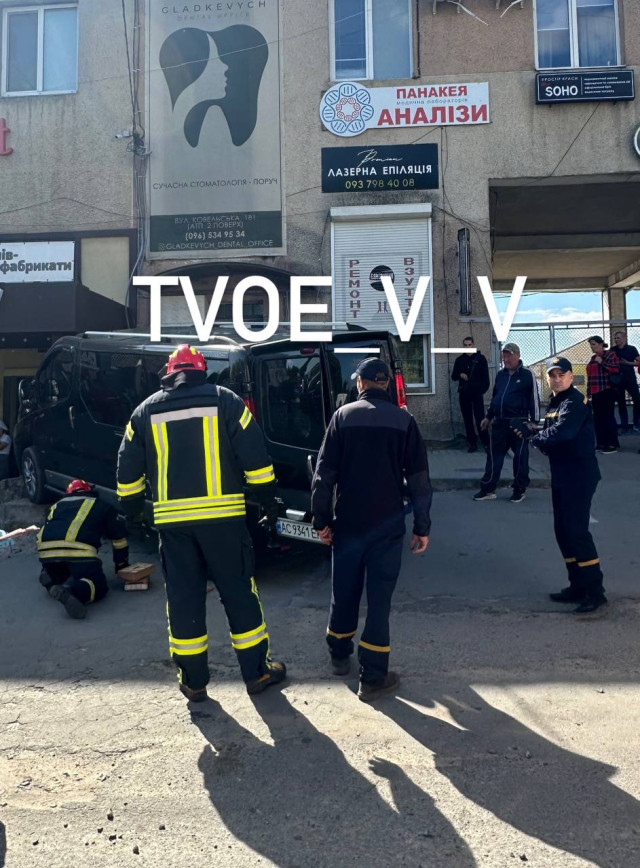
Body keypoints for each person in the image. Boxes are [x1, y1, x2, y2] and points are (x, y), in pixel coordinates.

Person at [116, 344, 285, 703]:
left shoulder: (145, 411)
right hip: (224, 523)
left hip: (174, 527)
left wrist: (132, 510)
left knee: (184, 600)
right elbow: (255, 457)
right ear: (201, 370)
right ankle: (257, 673)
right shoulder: (226, 401)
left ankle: (193, 683)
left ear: (169, 372)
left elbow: (127, 470)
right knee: (239, 595)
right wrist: (267, 499)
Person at [311, 357, 432, 703]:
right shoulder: (405, 421)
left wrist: (321, 521)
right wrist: (422, 526)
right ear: (386, 384)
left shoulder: (342, 417)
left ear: (361, 384)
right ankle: (374, 677)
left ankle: (339, 654)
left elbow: (324, 475)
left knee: (344, 589)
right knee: (379, 600)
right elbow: (420, 480)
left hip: (349, 522)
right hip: (388, 526)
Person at [511, 358, 607, 614]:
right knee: (563, 531)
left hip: (579, 476)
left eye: (561, 374)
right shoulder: (556, 402)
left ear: (570, 376)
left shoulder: (575, 402)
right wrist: (534, 432)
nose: (556, 379)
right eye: (552, 375)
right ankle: (577, 585)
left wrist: (534, 437)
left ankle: (595, 592)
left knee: (576, 532)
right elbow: (550, 436)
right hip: (562, 474)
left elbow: (563, 434)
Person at [37, 479, 129, 619]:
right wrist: (121, 565)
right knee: (97, 584)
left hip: (46, 552)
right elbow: (118, 537)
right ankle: (72, 592)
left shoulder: (56, 506)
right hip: (78, 551)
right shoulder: (100, 505)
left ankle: (51, 576)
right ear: (89, 490)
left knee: (64, 568)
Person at [473, 343, 539, 503]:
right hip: (499, 423)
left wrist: (533, 422)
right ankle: (488, 489)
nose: (506, 359)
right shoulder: (500, 375)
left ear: (518, 356)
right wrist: (488, 417)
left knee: (520, 458)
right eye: (504, 356)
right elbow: (496, 398)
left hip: (519, 423)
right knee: (494, 457)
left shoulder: (527, 375)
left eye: (509, 355)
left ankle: (519, 489)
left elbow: (534, 399)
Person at [451, 337, 490, 453]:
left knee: (480, 419)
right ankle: (472, 443)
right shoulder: (460, 360)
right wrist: (460, 374)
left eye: (469, 345)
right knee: (467, 420)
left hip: (477, 393)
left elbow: (486, 379)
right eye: (465, 345)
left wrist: (481, 391)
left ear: (473, 345)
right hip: (464, 393)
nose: (468, 347)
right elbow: (453, 376)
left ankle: (486, 443)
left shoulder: (480, 359)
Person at [586, 336, 620, 454]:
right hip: (595, 392)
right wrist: (588, 393)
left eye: (594, 344)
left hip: (606, 390)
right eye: (591, 345)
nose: (592, 347)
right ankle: (601, 443)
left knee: (607, 417)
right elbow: (590, 377)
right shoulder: (593, 358)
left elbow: (615, 369)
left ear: (601, 344)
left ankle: (612, 444)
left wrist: (602, 362)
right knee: (598, 418)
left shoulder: (610, 355)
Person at [612, 330, 640, 434]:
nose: (616, 340)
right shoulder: (613, 350)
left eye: (618, 338)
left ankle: (636, 424)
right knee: (621, 403)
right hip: (618, 380)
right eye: (615, 338)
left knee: (637, 400)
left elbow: (639, 362)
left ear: (624, 338)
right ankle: (624, 427)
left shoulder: (631, 349)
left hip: (630, 379)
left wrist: (627, 363)